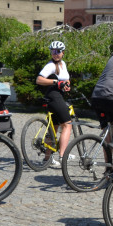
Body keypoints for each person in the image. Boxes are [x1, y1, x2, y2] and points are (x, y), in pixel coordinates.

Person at [36, 40, 73, 168]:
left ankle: (47, 158)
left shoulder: (63, 64)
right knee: (67, 125)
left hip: (58, 96)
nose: (55, 54)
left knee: (54, 128)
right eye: (53, 51)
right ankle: (63, 156)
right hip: (54, 97)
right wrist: (55, 83)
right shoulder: (50, 66)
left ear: (63, 53)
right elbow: (39, 80)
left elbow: (65, 78)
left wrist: (67, 84)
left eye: (58, 52)